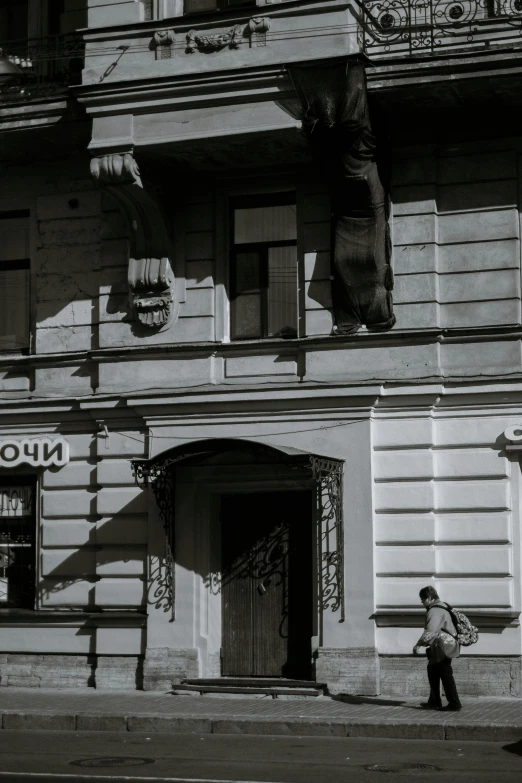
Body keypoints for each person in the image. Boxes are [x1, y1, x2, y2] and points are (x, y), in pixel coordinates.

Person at [413, 585, 462, 711]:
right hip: (445, 645)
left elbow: (430, 631)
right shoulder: (443, 605)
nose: (421, 602)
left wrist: (418, 645)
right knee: (433, 672)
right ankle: (434, 701)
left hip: (442, 647)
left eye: (422, 599)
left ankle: (454, 703)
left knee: (445, 674)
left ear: (429, 598)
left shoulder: (434, 610)